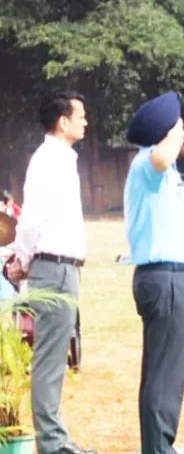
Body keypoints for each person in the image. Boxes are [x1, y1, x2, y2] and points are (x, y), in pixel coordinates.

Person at [5, 90, 92, 454]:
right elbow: (31, 220)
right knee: (50, 359)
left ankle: (57, 439)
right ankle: (52, 443)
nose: (85, 121)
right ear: (63, 121)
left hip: (63, 267)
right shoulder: (48, 160)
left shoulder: (62, 159)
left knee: (56, 358)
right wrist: (23, 261)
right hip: (52, 267)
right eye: (80, 115)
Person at [122, 91, 184, 454]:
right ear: (166, 131)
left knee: (166, 375)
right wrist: (173, 133)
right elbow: (160, 157)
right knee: (164, 378)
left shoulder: (164, 171)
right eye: (180, 128)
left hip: (174, 279)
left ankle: (157, 447)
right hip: (168, 280)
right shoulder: (149, 163)